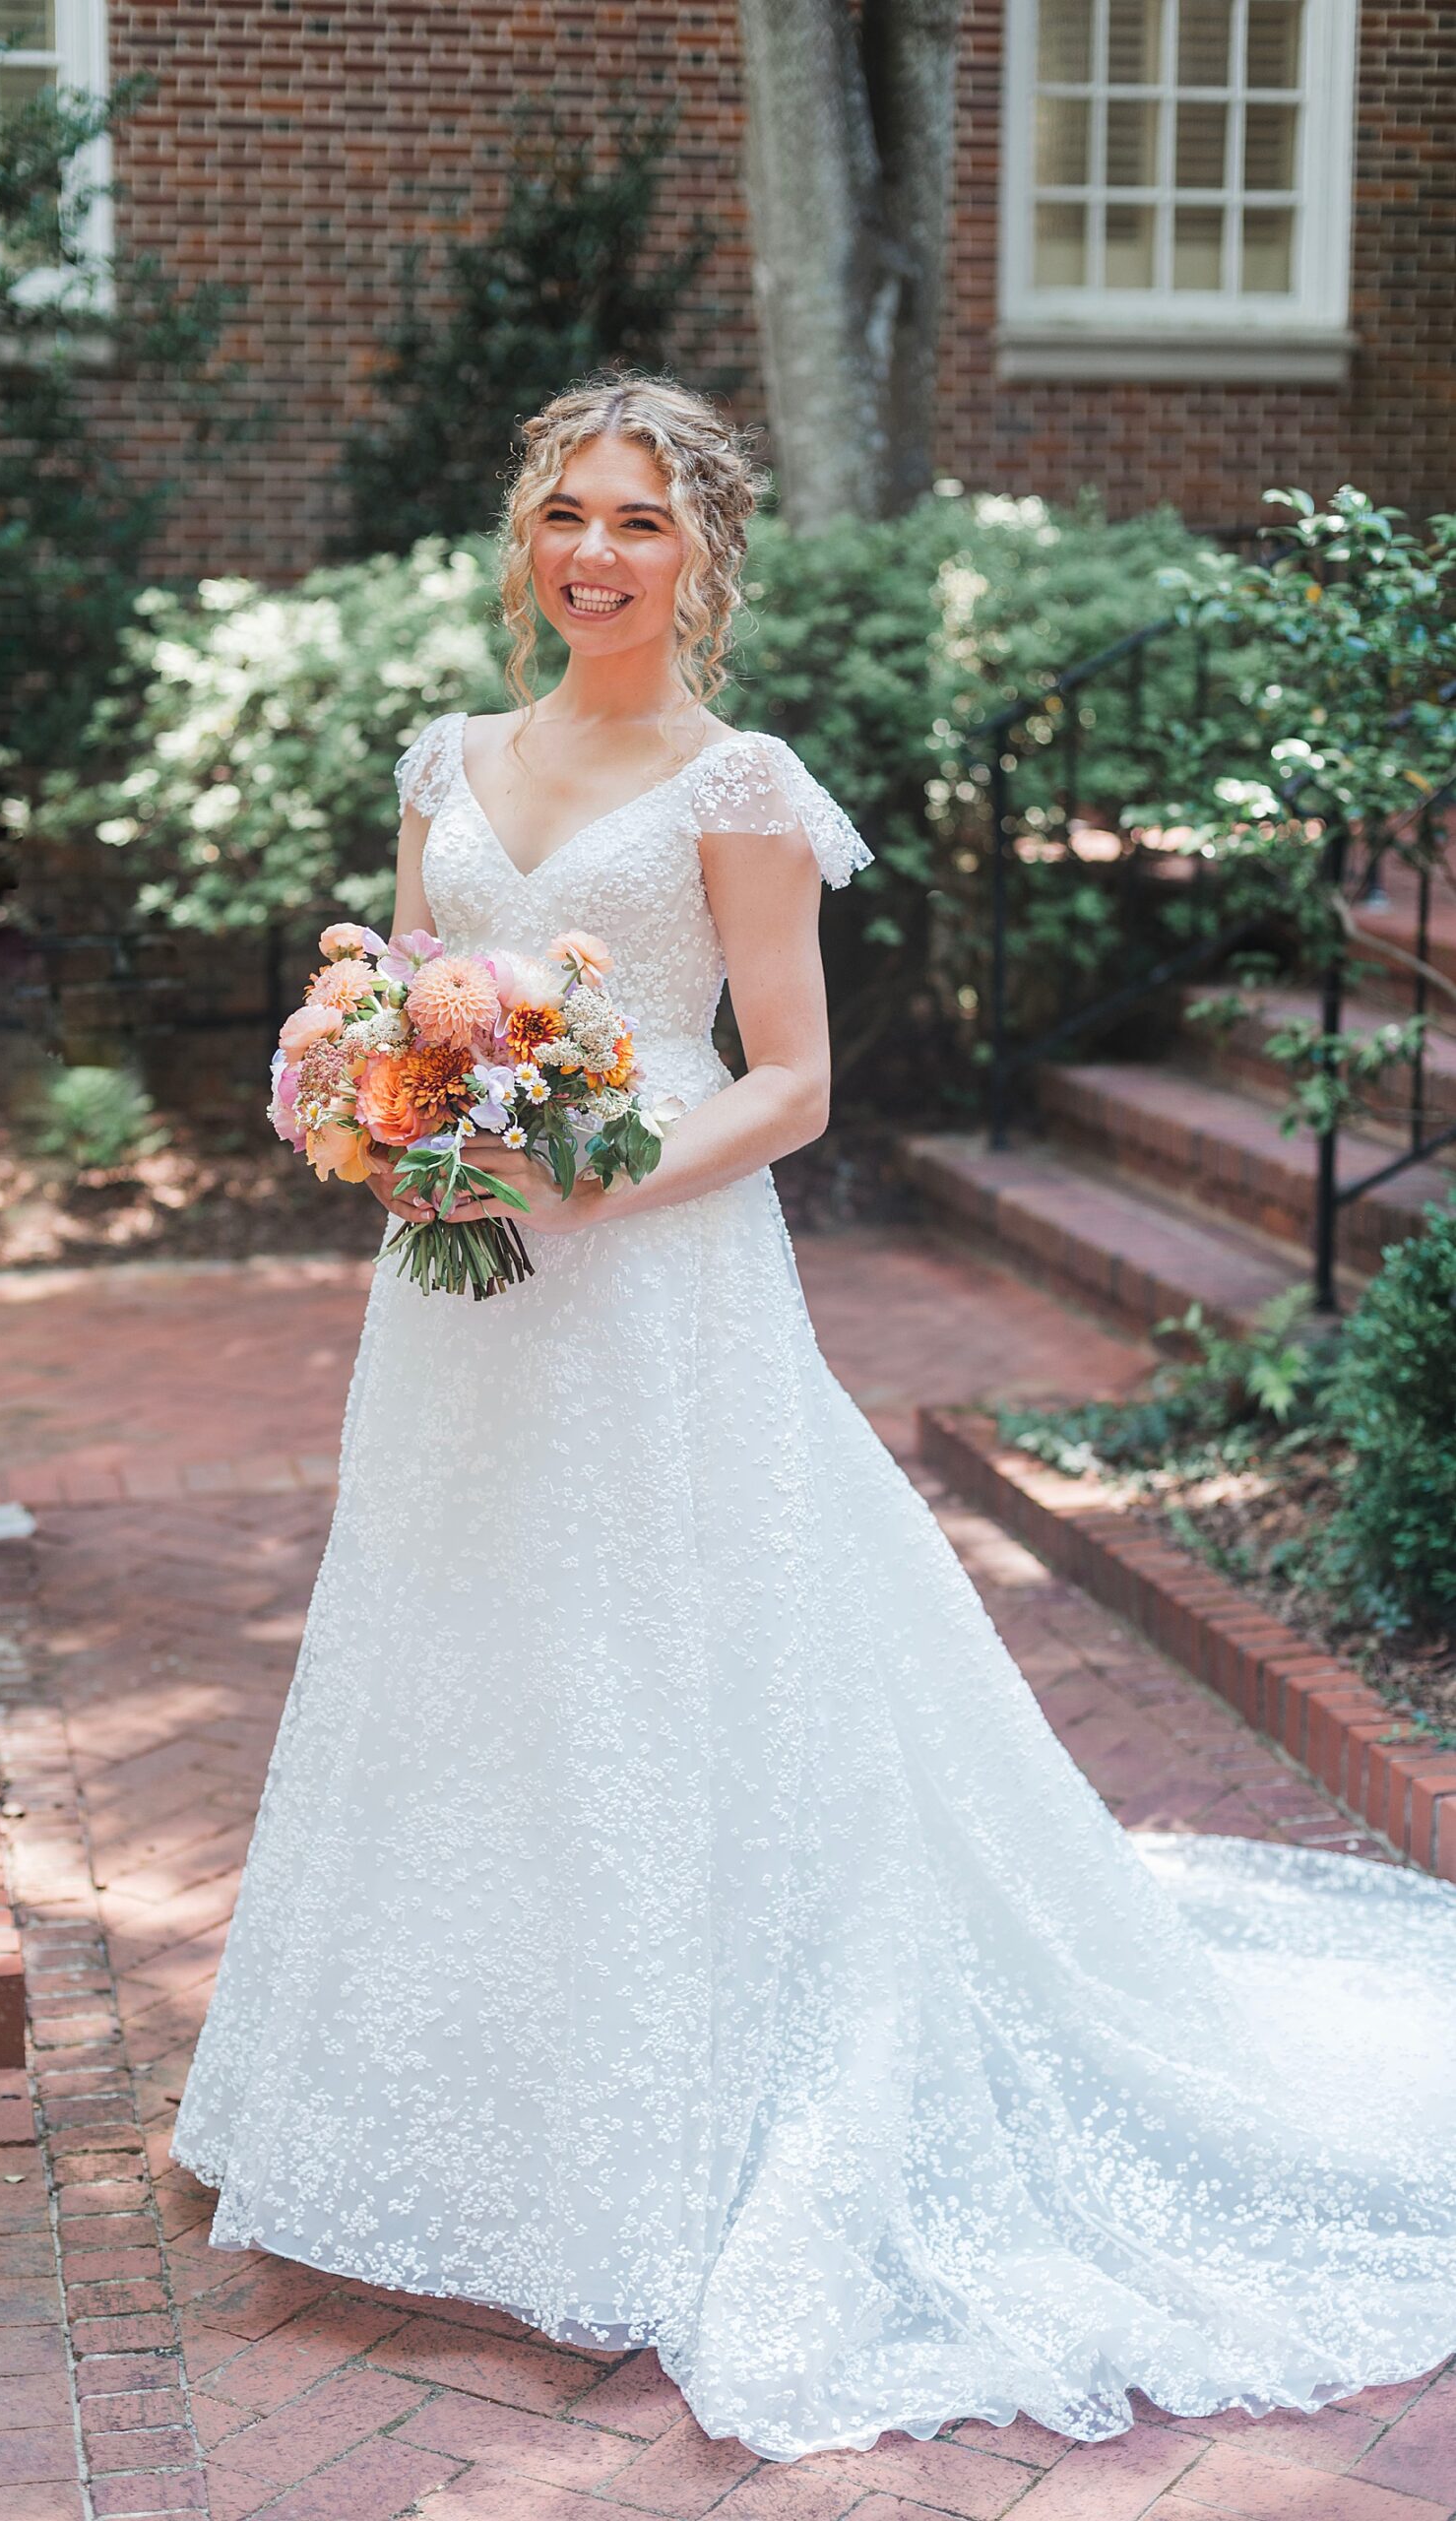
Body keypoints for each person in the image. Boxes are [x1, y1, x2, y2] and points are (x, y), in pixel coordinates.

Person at [172, 374, 1456, 2466]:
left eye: (643, 523)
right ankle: (393, 2106)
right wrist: (375, 1101)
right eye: (569, 512)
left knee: (657, 1669)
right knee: (451, 1652)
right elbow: (409, 972)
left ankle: (657, 2130)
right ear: (530, 534)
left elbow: (792, 1082)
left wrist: (590, 1174)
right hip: (459, 1289)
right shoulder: (451, 758)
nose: (597, 552)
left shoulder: (737, 781)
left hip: (655, 1278)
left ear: (703, 555)